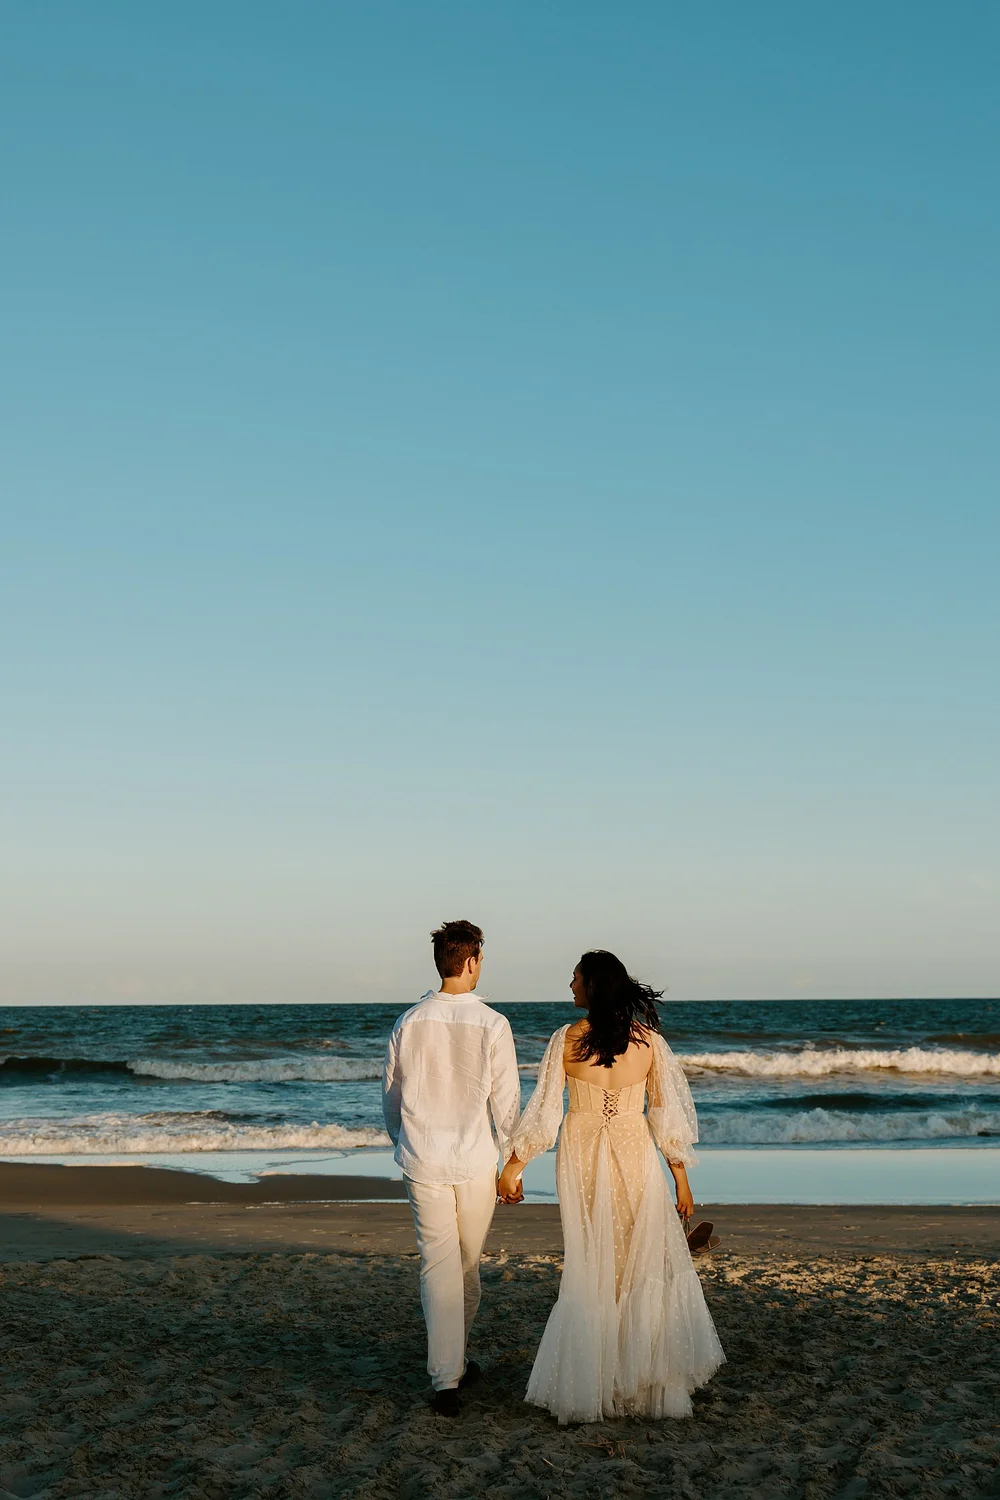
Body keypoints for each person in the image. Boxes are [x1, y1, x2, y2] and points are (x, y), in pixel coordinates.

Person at [497, 949, 724, 1423]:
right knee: (634, 1262)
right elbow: (666, 1117)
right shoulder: (648, 1042)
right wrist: (680, 1180)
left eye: (576, 978)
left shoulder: (566, 1039)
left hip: (581, 1155)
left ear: (594, 986)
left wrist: (513, 1168)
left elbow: (545, 1114)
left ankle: (600, 1381)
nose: (571, 985)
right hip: (634, 1153)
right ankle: (635, 1378)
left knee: (591, 1261)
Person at [382, 920, 520, 1417]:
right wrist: (514, 1164)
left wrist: (406, 1142)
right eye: (481, 957)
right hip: (475, 1159)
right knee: (460, 1266)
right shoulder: (493, 1023)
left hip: (424, 1158)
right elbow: (507, 1104)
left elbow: (392, 1098)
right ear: (471, 961)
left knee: (445, 1266)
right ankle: (447, 1375)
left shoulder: (408, 1021)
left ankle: (451, 1369)